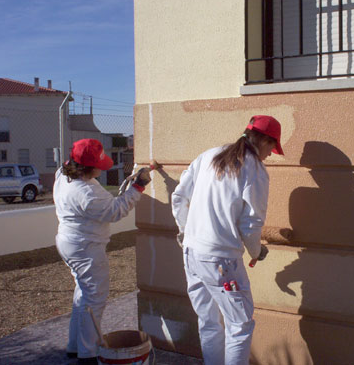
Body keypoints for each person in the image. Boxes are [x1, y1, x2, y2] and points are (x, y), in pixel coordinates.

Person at [172, 115, 284, 365]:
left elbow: (179, 196)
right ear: (265, 140)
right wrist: (256, 252)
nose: (270, 155)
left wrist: (184, 230)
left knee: (209, 321)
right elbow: (251, 223)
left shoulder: (208, 155)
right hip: (221, 262)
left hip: (191, 253)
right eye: (271, 148)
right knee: (240, 325)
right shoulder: (255, 170)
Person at [53, 138, 155, 365]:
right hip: (85, 248)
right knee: (95, 299)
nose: (102, 166)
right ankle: (88, 355)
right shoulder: (86, 192)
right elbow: (115, 211)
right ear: (88, 167)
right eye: (99, 163)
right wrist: (137, 187)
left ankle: (75, 347)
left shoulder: (64, 174)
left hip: (69, 242)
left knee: (83, 295)